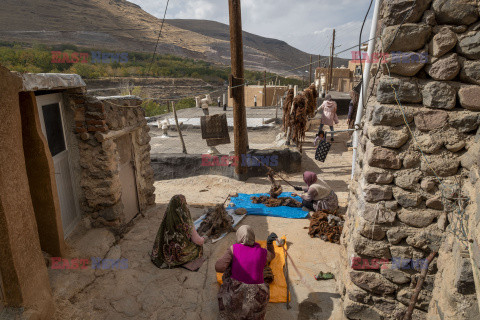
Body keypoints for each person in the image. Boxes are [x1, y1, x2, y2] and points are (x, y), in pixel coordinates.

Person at [216, 226, 277, 320]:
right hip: (257, 296)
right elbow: (272, 255)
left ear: (239, 237)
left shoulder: (234, 248)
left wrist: (231, 260)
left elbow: (219, 268)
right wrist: (269, 243)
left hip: (235, 294)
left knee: (229, 269)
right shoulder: (262, 252)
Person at [151, 195, 205, 269]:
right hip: (179, 253)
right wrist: (202, 239)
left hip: (165, 250)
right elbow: (197, 240)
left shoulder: (168, 216)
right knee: (198, 248)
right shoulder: (185, 217)